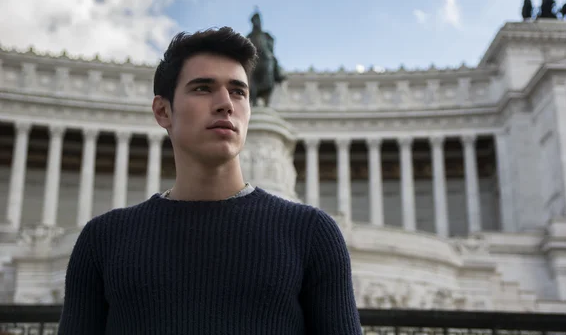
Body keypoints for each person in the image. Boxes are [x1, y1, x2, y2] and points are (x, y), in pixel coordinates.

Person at [58, 27, 363, 334]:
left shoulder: (311, 235)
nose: (225, 104)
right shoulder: (104, 240)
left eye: (239, 91)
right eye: (203, 88)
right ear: (163, 111)